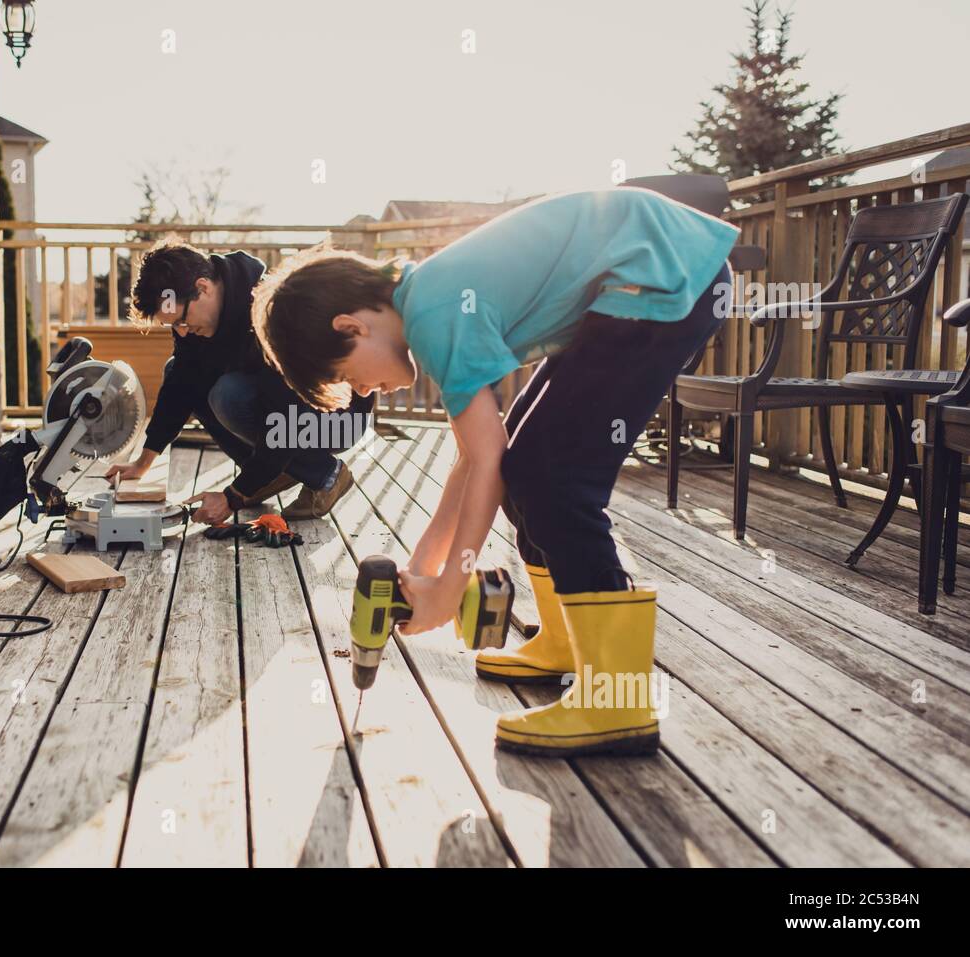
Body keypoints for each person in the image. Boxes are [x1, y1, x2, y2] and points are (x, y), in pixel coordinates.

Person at [250, 189, 737, 757]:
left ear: (351, 327)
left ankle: (618, 699)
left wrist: (449, 588)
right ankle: (561, 643)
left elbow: (482, 462)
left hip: (663, 278)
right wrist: (423, 571)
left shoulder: (433, 315)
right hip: (644, 281)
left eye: (347, 376)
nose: (361, 390)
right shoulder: (427, 302)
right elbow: (479, 457)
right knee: (527, 464)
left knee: (558, 481)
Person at [105, 239, 371, 523]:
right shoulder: (192, 324)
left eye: (181, 321)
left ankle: (327, 475)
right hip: (288, 415)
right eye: (172, 326)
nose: (181, 332)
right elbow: (180, 385)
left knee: (227, 395)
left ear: (203, 287)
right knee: (181, 371)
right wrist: (143, 463)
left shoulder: (271, 313)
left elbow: (284, 415)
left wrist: (234, 497)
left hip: (338, 419)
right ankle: (272, 474)